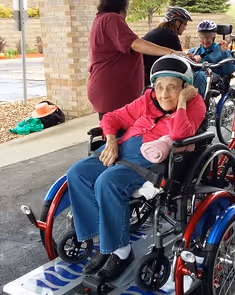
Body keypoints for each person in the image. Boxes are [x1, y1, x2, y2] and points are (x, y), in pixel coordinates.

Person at [67, 55, 206, 282]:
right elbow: (113, 117)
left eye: (172, 88)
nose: (163, 94)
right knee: (77, 173)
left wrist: (181, 102)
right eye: (159, 86)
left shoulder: (194, 104)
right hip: (122, 148)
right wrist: (111, 140)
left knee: (107, 182)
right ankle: (104, 240)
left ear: (185, 88)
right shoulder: (147, 99)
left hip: (151, 159)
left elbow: (181, 133)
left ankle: (121, 252)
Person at [87, 0, 187, 122]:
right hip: (114, 93)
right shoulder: (111, 19)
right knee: (121, 135)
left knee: (112, 130)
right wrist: (173, 52)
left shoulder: (101, 19)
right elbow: (135, 44)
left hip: (107, 90)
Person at [142, 6, 192, 86]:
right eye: (184, 24)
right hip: (155, 78)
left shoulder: (157, 32)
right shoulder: (171, 36)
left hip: (146, 75)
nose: (185, 28)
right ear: (177, 23)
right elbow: (180, 62)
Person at [187, 20, 235, 97]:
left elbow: (230, 70)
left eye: (208, 37)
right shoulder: (193, 51)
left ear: (213, 36)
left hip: (213, 77)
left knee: (198, 75)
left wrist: (224, 52)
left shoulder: (221, 50)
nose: (205, 41)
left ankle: (197, 103)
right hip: (194, 77)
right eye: (202, 38)